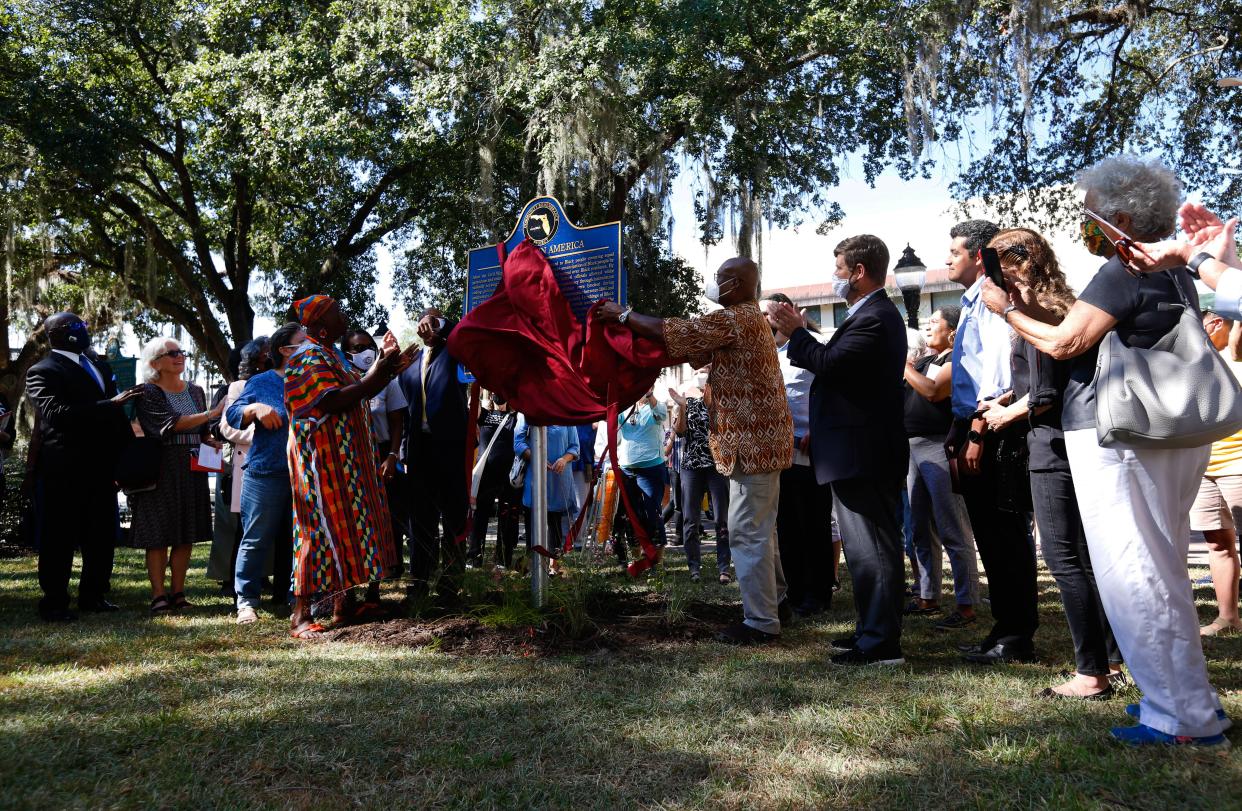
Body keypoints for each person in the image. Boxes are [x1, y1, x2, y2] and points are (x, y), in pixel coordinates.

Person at [981, 155, 1228, 746]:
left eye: (1091, 209)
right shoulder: (1175, 274)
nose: (1086, 221)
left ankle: (1181, 719)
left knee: (1134, 573)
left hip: (1118, 437)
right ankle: (1192, 707)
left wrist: (1007, 310)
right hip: (1173, 434)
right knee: (1161, 568)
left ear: (1118, 215)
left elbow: (1066, 343)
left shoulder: (1123, 269)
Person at [597, 257, 793, 645]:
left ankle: (761, 622)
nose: (714, 283)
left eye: (720, 278)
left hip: (751, 445)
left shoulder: (735, 317)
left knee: (747, 533)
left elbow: (679, 333)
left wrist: (623, 316)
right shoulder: (745, 321)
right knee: (760, 531)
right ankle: (777, 602)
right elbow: (692, 348)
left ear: (736, 284)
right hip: (754, 446)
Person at [978, 228, 1124, 700]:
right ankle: (1114, 658)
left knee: (1064, 560)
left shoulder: (1031, 312)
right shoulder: (1061, 304)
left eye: (990, 266)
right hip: (1075, 441)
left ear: (1009, 266)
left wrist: (1005, 412)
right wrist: (1010, 395)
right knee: (1087, 558)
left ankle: (1090, 673)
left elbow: (1044, 394)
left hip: (1052, 447)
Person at [768, 235, 909, 665]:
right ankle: (870, 630)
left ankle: (882, 643)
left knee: (875, 550)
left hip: (863, 451)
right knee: (863, 551)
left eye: (839, 268)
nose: (835, 277)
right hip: (852, 451)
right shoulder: (864, 315)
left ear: (859, 272)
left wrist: (796, 332)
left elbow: (829, 363)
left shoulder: (877, 317)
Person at [940, 218, 1040, 665]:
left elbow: (1000, 379)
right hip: (973, 425)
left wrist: (978, 432)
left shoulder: (992, 301)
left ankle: (1016, 634)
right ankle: (1005, 627)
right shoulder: (972, 303)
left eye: (954, 251)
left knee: (1004, 537)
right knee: (990, 536)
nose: (947, 259)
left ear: (978, 256)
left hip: (996, 429)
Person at [285, 295, 408, 638]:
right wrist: (375, 376)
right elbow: (332, 399)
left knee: (349, 528)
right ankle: (300, 614)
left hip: (346, 461)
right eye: (337, 314)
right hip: (320, 462)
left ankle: (344, 604)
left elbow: (359, 388)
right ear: (323, 326)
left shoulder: (331, 356)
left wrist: (387, 366)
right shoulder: (307, 357)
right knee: (318, 531)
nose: (344, 318)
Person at [25, 312, 138, 620]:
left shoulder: (99, 366)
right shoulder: (43, 370)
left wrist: (126, 455)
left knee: (100, 534)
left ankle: (94, 594)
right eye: (77, 327)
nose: (84, 331)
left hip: (102, 467)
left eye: (84, 326)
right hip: (64, 467)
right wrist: (109, 405)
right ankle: (55, 601)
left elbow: (115, 415)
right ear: (56, 334)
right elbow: (57, 414)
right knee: (58, 536)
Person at [901, 304, 981, 628]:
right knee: (918, 528)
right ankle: (927, 595)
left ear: (952, 330)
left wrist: (903, 367)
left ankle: (966, 604)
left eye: (935, 321)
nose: (928, 325)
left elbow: (934, 391)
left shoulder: (954, 359)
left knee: (951, 527)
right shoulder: (922, 362)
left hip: (938, 447)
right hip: (910, 450)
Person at [129, 337, 222, 614]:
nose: (179, 356)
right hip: (161, 466)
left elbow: (201, 428)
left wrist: (208, 439)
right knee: (159, 533)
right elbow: (168, 425)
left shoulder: (195, 390)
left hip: (192, 466)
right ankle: (158, 595)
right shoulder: (147, 392)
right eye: (172, 353)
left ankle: (178, 593)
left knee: (185, 533)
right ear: (155, 362)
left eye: (181, 352)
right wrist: (212, 413)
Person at [225, 323, 303, 624]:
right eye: (302, 344)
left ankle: (301, 596)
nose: (309, 348)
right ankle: (246, 602)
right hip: (266, 472)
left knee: (304, 538)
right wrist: (254, 408)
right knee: (256, 538)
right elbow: (233, 415)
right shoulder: (262, 381)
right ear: (285, 351)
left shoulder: (315, 379)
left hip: (306, 474)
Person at [762, 292, 834, 616]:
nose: (765, 321)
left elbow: (832, 391)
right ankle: (794, 591)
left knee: (813, 523)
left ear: (787, 312)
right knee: (786, 525)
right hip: (777, 453)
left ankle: (819, 593)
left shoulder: (813, 345)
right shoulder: (765, 354)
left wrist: (819, 430)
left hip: (810, 450)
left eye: (771, 314)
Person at [397, 308, 469, 603]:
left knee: (453, 515)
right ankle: (420, 581)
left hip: (451, 446)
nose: (426, 325)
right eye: (423, 320)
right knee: (420, 519)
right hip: (418, 448)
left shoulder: (455, 351)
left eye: (433, 320)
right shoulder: (411, 360)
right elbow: (403, 406)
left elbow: (465, 334)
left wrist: (444, 325)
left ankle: (451, 583)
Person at [344, 328, 409, 610]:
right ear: (346, 353)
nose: (363, 353)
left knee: (381, 521)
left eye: (367, 346)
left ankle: (375, 588)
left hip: (382, 454)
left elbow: (397, 421)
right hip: (351, 456)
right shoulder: (343, 380)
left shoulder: (387, 381)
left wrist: (392, 456)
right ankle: (347, 590)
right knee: (352, 522)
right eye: (356, 349)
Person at [1186, 311, 1242, 636]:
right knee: (1218, 543)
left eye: (1202, 322)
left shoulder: (1236, 353)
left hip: (1238, 462)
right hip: (1205, 464)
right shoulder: (1197, 360)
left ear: (1219, 322)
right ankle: (1228, 618)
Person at [208, 338, 267, 594]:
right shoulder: (232, 390)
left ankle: (261, 576)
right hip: (237, 465)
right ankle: (231, 580)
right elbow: (222, 428)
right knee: (237, 527)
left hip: (266, 464)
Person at [669, 380, 731, 583]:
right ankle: (694, 567)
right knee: (690, 519)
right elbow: (679, 432)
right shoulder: (692, 404)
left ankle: (724, 568)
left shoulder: (724, 405)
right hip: (691, 467)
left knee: (722, 519)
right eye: (708, 385)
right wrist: (682, 406)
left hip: (717, 467)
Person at [513, 416, 579, 565]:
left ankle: (553, 565)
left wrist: (564, 459)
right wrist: (537, 458)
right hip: (534, 478)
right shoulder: (528, 412)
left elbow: (575, 447)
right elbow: (518, 443)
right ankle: (532, 568)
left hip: (558, 480)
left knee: (555, 525)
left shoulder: (565, 414)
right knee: (533, 525)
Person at [469, 392, 520, 567]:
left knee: (506, 516)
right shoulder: (485, 415)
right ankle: (475, 556)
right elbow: (472, 408)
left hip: (508, 476)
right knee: (480, 515)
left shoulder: (515, 417)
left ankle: (503, 558)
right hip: (486, 475)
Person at [616, 389, 669, 552]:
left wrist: (648, 394)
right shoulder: (624, 408)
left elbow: (662, 415)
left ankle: (655, 559)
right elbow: (610, 421)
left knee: (652, 513)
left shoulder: (656, 406)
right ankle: (636, 556)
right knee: (632, 515)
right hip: (627, 469)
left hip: (651, 469)